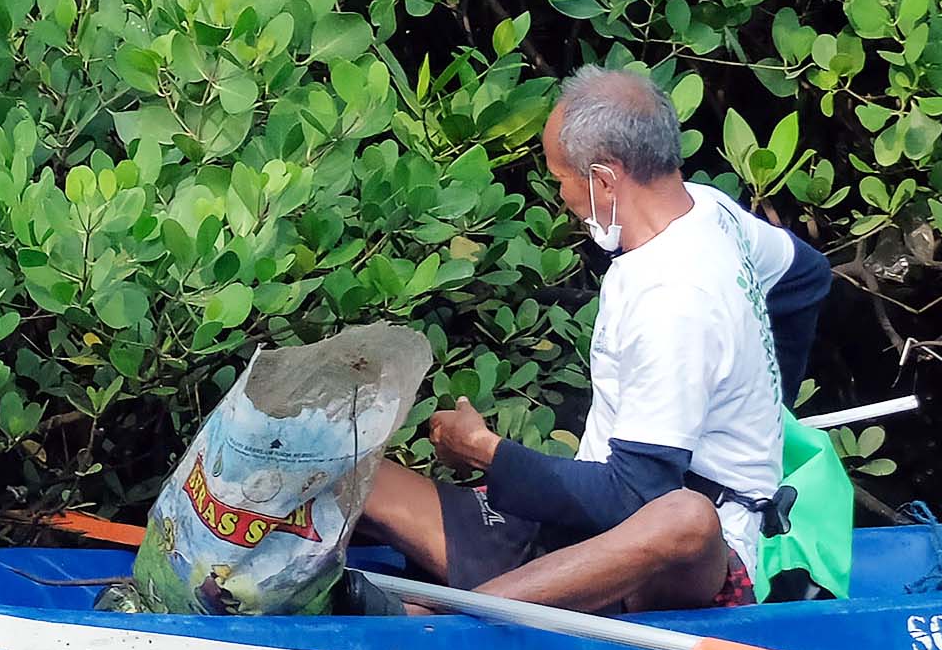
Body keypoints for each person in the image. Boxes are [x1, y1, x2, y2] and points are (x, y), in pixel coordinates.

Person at [354, 67, 832, 612]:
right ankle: (465, 601)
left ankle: (455, 618)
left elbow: (636, 497)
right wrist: (766, 414)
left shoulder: (674, 299)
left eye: (561, 177)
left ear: (604, 179)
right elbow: (805, 278)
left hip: (665, 558)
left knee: (686, 517)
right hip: (581, 519)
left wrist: (486, 451)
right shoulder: (710, 209)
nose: (560, 194)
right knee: (352, 479)